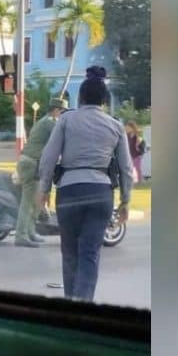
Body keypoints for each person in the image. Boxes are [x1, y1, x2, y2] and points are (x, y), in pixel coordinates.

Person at [37, 71, 133, 300]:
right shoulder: (115, 126)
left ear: (80, 98)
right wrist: (126, 200)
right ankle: (83, 305)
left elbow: (49, 157)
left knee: (69, 253)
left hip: (69, 191)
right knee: (90, 254)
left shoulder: (66, 120)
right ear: (104, 101)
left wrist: (44, 189)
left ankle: (72, 305)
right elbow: (126, 168)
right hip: (100, 193)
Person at [14, 97, 69, 247]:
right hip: (31, 163)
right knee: (28, 201)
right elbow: (63, 137)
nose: (64, 116)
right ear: (57, 110)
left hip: (32, 162)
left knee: (36, 201)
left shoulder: (46, 121)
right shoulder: (49, 123)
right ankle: (21, 235)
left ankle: (30, 232)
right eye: (63, 112)